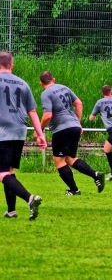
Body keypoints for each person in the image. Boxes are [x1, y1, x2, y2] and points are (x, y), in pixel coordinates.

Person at [40, 71, 105, 196]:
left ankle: (74, 190)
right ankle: (96, 175)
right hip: (74, 126)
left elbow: (47, 115)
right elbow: (79, 103)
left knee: (59, 160)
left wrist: (39, 129)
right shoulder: (65, 88)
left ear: (41, 83)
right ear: (54, 79)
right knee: (69, 159)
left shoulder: (45, 94)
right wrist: (77, 122)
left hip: (61, 129)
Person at [0, 52, 46, 220]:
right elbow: (32, 111)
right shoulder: (23, 83)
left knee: (2, 172)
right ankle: (11, 211)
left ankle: (29, 198)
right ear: (12, 66)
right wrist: (40, 135)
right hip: (19, 132)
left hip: (2, 132)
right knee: (9, 172)